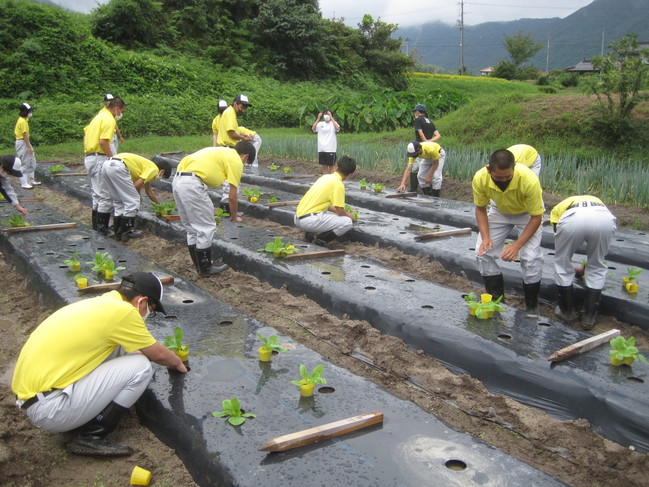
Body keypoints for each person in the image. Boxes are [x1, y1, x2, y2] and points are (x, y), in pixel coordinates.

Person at [12, 272, 187, 457]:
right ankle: (92, 435)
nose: (148, 314)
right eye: (150, 308)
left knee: (122, 350)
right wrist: (178, 364)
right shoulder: (124, 312)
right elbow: (159, 355)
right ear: (141, 301)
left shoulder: (102, 304)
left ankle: (86, 414)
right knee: (140, 367)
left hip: (32, 399)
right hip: (51, 410)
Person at [472, 149, 544, 312]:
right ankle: (497, 302)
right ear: (489, 169)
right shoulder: (480, 178)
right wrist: (485, 237)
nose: (503, 181)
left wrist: (516, 246)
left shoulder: (528, 179)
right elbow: (481, 208)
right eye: (498, 178)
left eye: (507, 177)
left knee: (531, 257)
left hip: (526, 213)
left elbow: (536, 217)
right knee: (483, 252)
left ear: (514, 168)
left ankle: (532, 308)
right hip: (499, 210)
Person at [172, 142, 256, 276]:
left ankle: (199, 266)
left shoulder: (221, 152)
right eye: (246, 162)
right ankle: (206, 268)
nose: (244, 165)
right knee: (206, 227)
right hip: (193, 184)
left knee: (192, 228)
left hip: (178, 180)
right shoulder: (236, 161)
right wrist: (234, 216)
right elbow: (233, 196)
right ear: (245, 156)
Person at [551, 196, 616, 329]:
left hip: (573, 218)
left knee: (562, 263)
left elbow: (560, 236)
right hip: (604, 219)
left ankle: (566, 312)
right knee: (597, 264)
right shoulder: (597, 200)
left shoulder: (557, 210)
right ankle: (589, 318)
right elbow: (590, 228)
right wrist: (583, 268)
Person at [99, 153, 172, 241]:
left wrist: (160, 207)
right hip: (118, 167)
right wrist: (137, 197)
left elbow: (149, 192)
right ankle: (127, 232)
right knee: (133, 202)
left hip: (107, 165)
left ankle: (118, 232)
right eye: (162, 176)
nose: (159, 178)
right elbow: (137, 185)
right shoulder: (154, 169)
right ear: (162, 171)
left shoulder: (146, 166)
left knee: (119, 201)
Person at [83, 97, 126, 235]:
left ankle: (96, 225)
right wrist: (112, 159)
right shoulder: (108, 119)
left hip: (90, 157)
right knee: (106, 195)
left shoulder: (98, 117)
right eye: (121, 111)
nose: (120, 115)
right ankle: (103, 228)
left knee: (97, 193)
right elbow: (103, 142)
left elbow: (86, 135)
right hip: (100, 158)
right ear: (117, 108)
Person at [294, 155, 356, 246]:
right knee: (347, 222)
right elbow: (339, 211)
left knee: (326, 214)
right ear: (350, 174)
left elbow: (324, 205)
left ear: (336, 167)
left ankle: (309, 235)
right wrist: (349, 215)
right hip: (308, 221)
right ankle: (320, 240)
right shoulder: (338, 184)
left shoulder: (325, 177)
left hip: (297, 218)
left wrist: (338, 211)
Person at [217, 94, 262, 166]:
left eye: (245, 108)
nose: (243, 110)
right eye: (242, 107)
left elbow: (232, 132)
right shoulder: (230, 113)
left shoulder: (230, 112)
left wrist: (242, 135)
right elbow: (231, 134)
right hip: (228, 149)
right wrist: (244, 138)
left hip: (227, 148)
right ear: (235, 104)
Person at [410, 104, 441, 192]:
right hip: (430, 147)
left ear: (417, 112)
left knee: (415, 167)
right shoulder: (430, 121)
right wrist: (430, 141)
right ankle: (429, 188)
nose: (415, 113)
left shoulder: (418, 120)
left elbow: (420, 133)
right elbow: (438, 135)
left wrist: (425, 142)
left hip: (420, 147)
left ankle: (413, 189)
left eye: (415, 112)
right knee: (426, 168)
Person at [14, 102, 40, 189]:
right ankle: (24, 183)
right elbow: (25, 135)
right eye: (29, 111)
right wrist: (29, 147)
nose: (30, 113)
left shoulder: (24, 120)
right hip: (22, 142)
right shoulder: (22, 121)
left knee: (32, 161)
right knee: (25, 162)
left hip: (24, 142)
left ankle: (31, 180)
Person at [312, 109, 340, 175]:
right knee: (324, 167)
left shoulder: (333, 123)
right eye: (325, 114)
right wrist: (318, 118)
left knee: (332, 166)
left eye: (328, 114)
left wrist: (331, 118)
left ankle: (332, 181)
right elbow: (313, 129)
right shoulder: (320, 124)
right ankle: (325, 180)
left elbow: (337, 128)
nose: (327, 116)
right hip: (322, 148)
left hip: (330, 149)